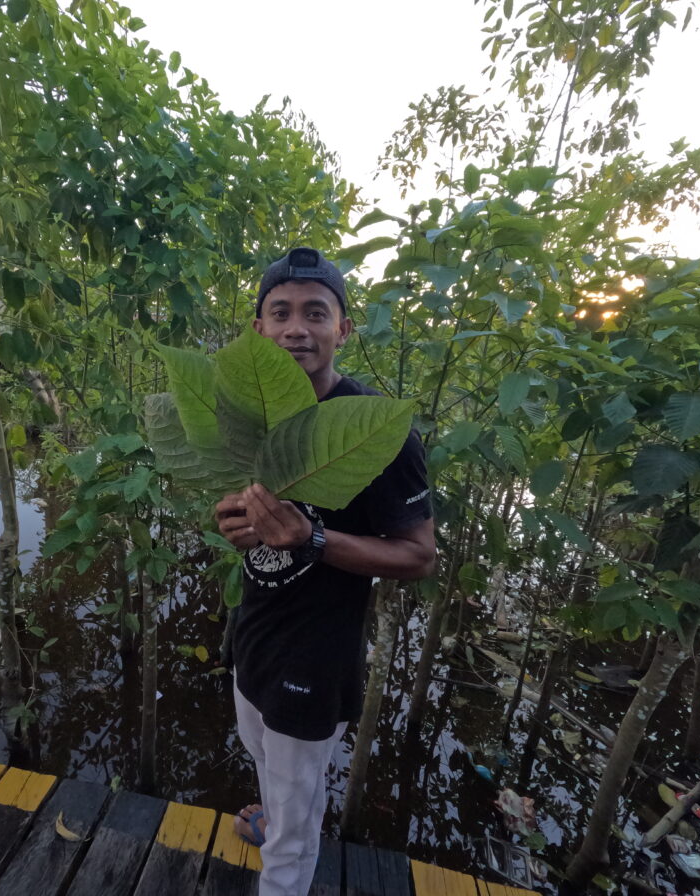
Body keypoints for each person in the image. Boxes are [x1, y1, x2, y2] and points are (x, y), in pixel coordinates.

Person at [215, 247, 436, 896]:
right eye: (279, 312)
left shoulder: (376, 431)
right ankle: (277, 811)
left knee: (295, 823)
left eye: (316, 312)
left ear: (343, 329)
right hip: (252, 640)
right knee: (263, 760)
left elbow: (418, 557)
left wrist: (311, 537)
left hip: (316, 662)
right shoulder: (249, 421)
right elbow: (239, 526)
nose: (295, 328)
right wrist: (230, 523)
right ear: (258, 330)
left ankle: (283, 866)